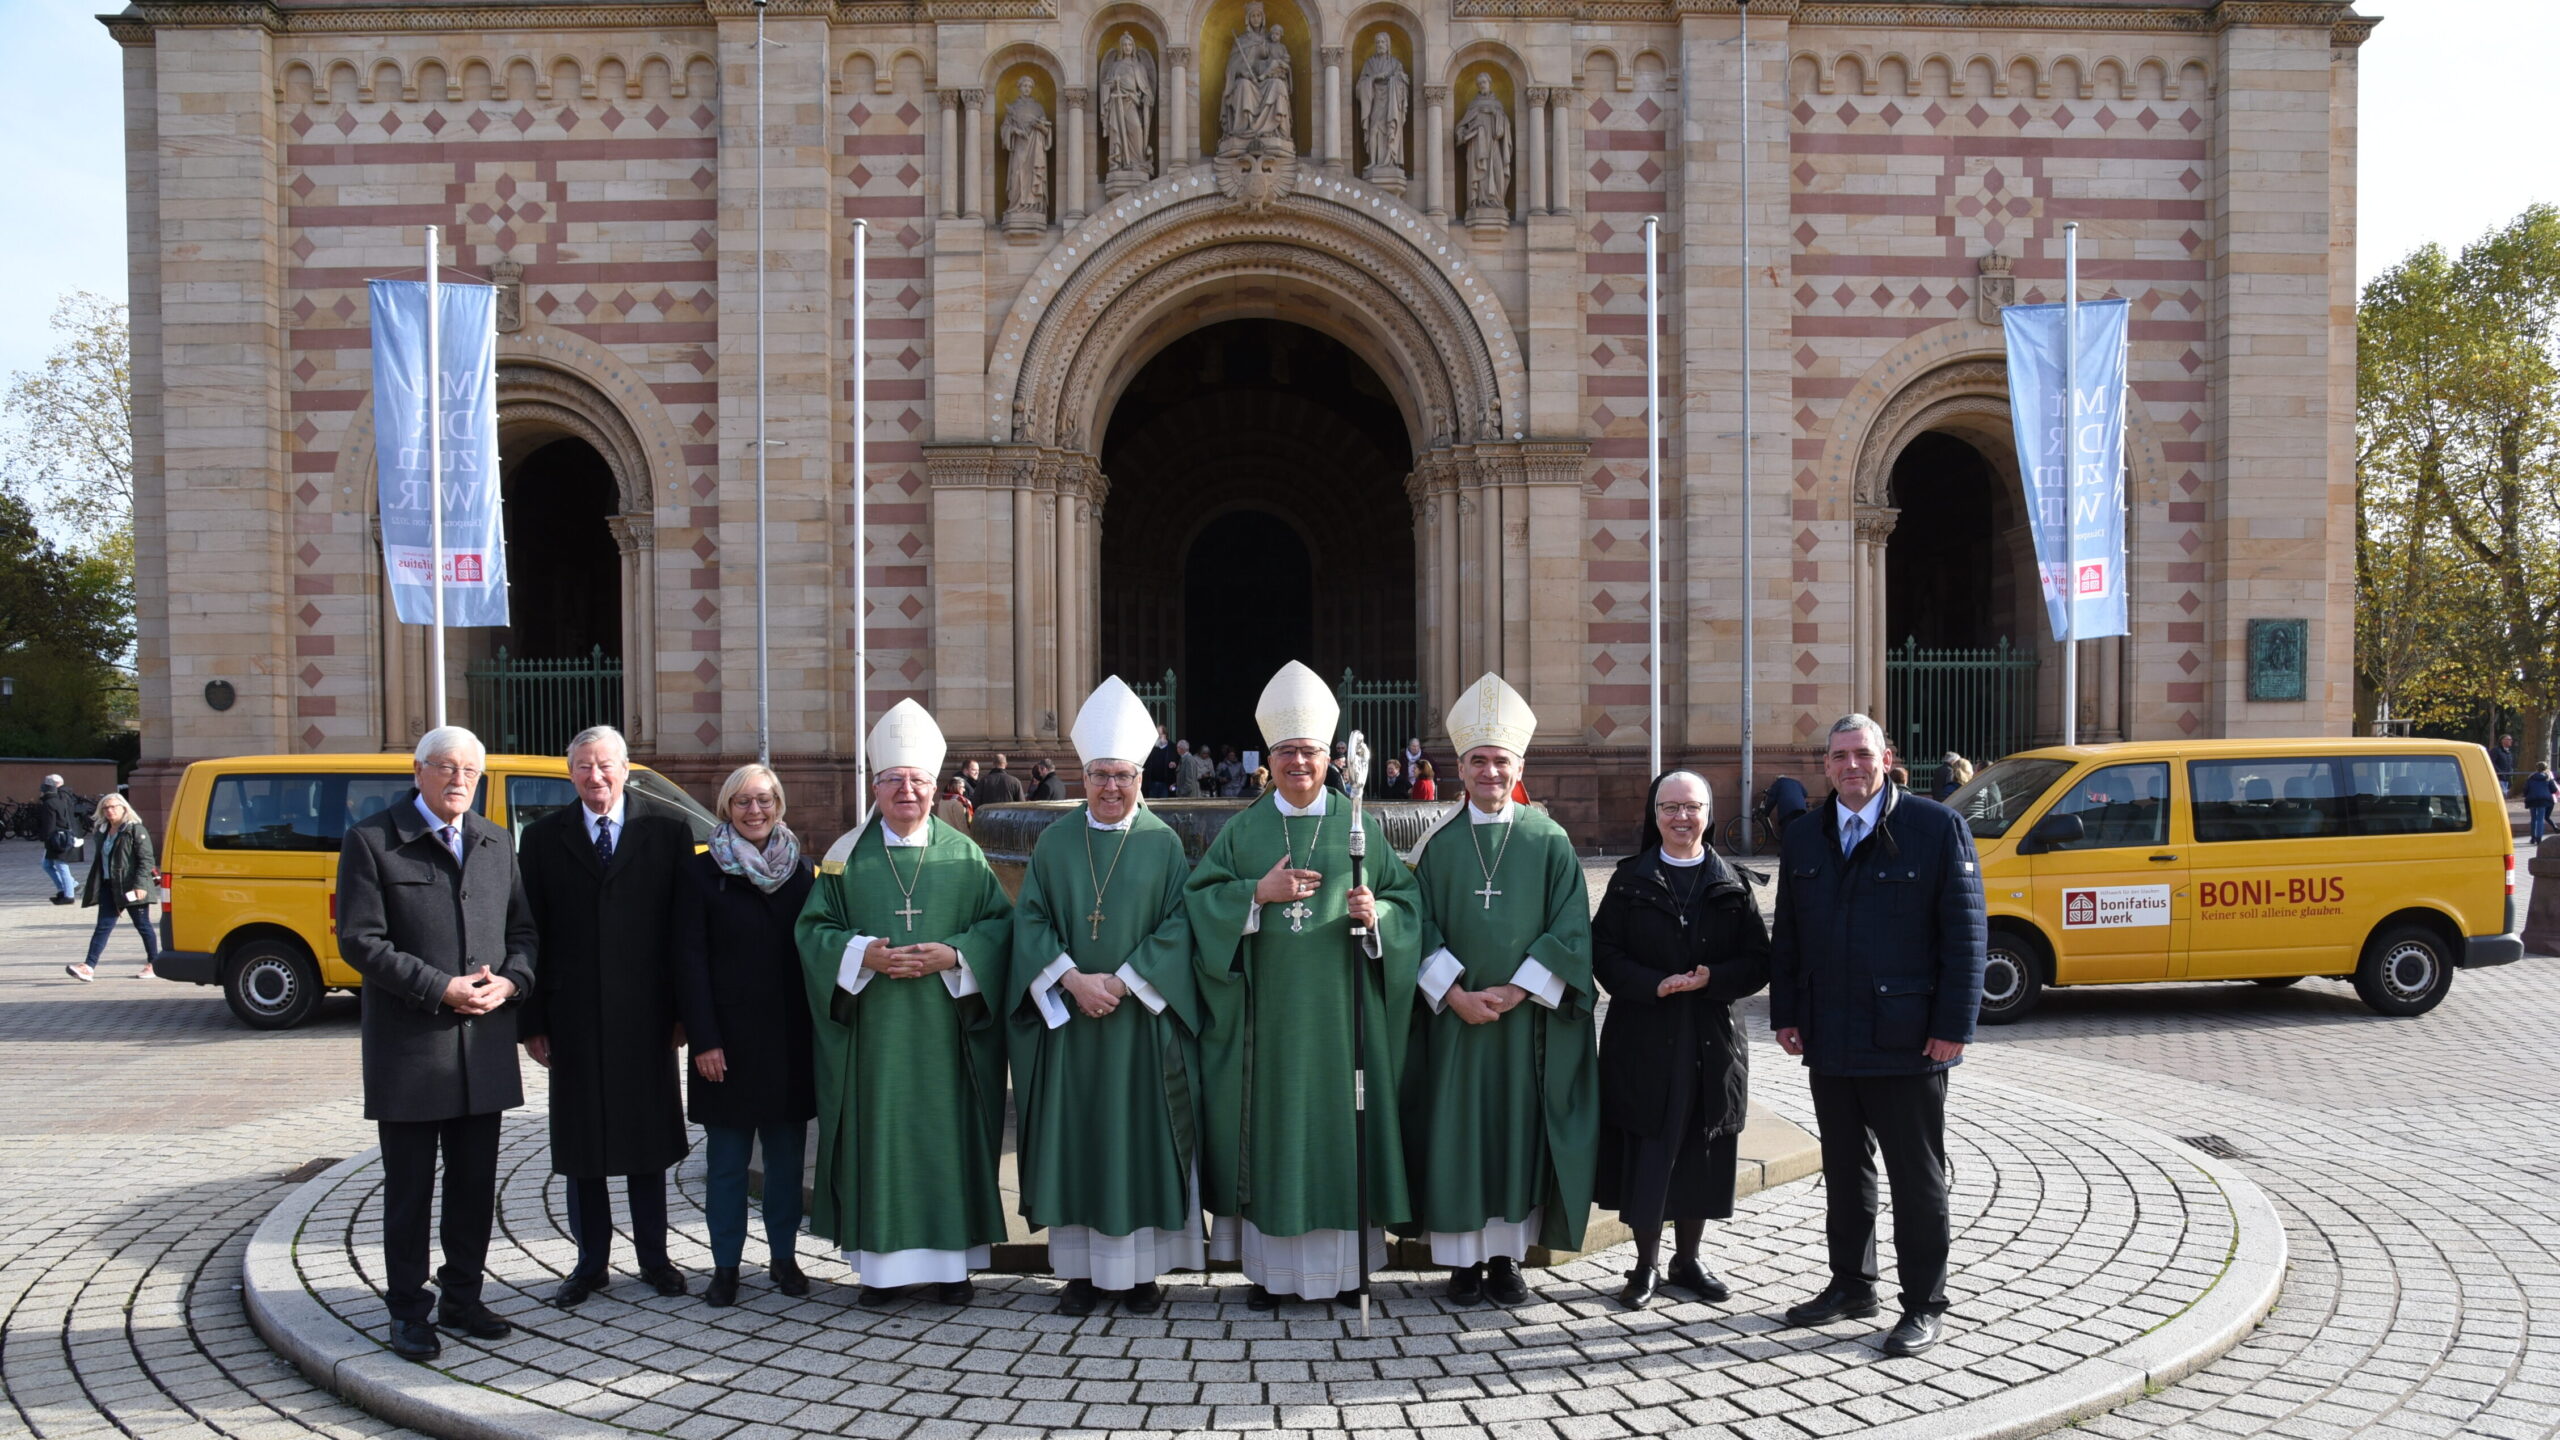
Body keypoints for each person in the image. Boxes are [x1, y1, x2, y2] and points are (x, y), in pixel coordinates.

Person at [1185, 662, 1422, 1308]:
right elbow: (1198, 903)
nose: (1298, 762)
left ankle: (1347, 1274)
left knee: (1341, 1133)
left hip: (1344, 1022)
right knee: (1274, 1136)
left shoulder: (1359, 823)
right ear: (1270, 758)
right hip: (1269, 1022)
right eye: (1286, 752)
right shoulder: (1244, 830)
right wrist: (1253, 897)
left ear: (1331, 757)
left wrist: (1379, 920)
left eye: (1310, 751)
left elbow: (1408, 904)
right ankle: (1272, 1273)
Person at [1770, 714, 1985, 1357]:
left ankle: (1923, 1303)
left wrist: (1953, 1027)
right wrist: (1786, 1012)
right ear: (1826, 766)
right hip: (1829, 1036)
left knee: (1915, 1179)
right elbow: (1789, 934)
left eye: (1862, 753)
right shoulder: (1805, 835)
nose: (1851, 766)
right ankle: (1851, 1284)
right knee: (1843, 1172)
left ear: (1886, 757)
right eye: (1839, 757)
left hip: (1907, 1039)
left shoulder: (1936, 826)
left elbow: (1967, 936)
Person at [796, 699, 1014, 1306]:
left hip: (946, 1033)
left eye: (917, 782)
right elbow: (812, 934)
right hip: (877, 1035)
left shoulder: (964, 854)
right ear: (877, 787)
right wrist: (861, 954)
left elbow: (999, 928)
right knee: (882, 1135)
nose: (907, 793)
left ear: (934, 787)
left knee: (944, 1136)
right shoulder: (844, 858)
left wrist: (957, 957)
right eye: (894, 782)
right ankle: (884, 1273)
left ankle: (951, 1269)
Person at [333, 725, 536, 1361]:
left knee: (475, 1187)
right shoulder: (372, 840)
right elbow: (360, 942)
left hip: (484, 1051)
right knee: (410, 1190)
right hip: (411, 1054)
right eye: (446, 768)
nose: (458, 781)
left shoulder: (496, 841)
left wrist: (509, 982)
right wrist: (440, 987)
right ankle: (407, 1311)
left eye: (470, 772)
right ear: (417, 771)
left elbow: (525, 932)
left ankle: (463, 1297)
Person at [1004, 677, 1205, 1316]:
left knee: (1134, 1137)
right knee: (1078, 1138)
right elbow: (1029, 920)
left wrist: (1123, 981)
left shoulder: (1162, 843)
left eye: (1122, 775)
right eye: (1099, 775)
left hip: (1136, 1024)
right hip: (1071, 1024)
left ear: (1141, 775)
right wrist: (1070, 979)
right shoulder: (1055, 842)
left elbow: (1180, 924)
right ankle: (1082, 1274)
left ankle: (1140, 1274)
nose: (1111, 787)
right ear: (1082, 776)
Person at [1403, 673, 1598, 1306]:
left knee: (1516, 1131)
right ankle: (1461, 1261)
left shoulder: (1549, 841)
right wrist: (1453, 992)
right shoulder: (1435, 846)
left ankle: (1507, 1259)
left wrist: (1518, 992)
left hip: (1524, 1024)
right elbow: (1415, 926)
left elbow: (1570, 924)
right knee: (1459, 1130)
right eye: (1478, 761)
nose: (1490, 771)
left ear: (1519, 764)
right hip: (1455, 1021)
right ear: (1459, 767)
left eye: (1500, 761)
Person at [517, 724, 694, 1307]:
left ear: (625, 768)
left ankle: (655, 1260)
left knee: (647, 1144)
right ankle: (590, 1263)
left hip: (648, 1019)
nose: (595, 776)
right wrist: (533, 1021)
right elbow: (529, 933)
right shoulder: (543, 839)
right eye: (583, 767)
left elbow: (681, 933)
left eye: (605, 765)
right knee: (582, 1148)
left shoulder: (665, 832)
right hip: (574, 1019)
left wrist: (683, 1015)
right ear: (570, 773)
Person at [1592, 771, 1769, 1309]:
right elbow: (1603, 954)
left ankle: (1687, 1260)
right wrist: (1654, 984)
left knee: (1702, 1147)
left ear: (1709, 814)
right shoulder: (1629, 880)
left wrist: (1713, 978)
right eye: (1669, 808)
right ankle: (1644, 1264)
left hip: (1711, 1035)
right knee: (1650, 1148)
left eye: (1692, 808)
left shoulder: (1732, 883)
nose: (1681, 818)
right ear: (1654, 815)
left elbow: (1758, 961)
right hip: (1645, 1033)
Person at [673, 763, 817, 1308]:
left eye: (764, 801)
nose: (755, 811)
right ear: (726, 808)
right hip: (724, 1046)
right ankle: (726, 1266)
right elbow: (688, 962)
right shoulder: (701, 872)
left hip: (787, 1041)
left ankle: (784, 1257)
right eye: (743, 802)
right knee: (728, 1164)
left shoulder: (801, 872)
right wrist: (705, 1040)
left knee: (784, 1160)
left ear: (779, 805)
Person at [66, 793, 160, 982]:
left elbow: (146, 859)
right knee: (103, 927)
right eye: (105, 808)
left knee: (143, 925)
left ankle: (154, 964)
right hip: (110, 887)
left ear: (124, 808)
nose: (109, 811)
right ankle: (88, 967)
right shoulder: (102, 831)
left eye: (113, 807)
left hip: (132, 886)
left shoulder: (135, 829)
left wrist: (141, 885)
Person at [38, 774, 79, 905]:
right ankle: (65, 889)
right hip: (63, 835)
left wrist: (45, 837)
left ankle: (69, 894)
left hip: (56, 838)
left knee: (61, 866)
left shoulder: (49, 803)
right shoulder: (60, 799)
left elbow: (50, 823)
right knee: (48, 864)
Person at [2526, 764, 2556, 846]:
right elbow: (2554, 789)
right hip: (2543, 800)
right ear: (2545, 768)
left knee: (2533, 819)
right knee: (2540, 819)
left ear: (2536, 768)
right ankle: (2539, 838)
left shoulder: (2530, 777)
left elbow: (2525, 789)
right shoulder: (2548, 777)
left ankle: (2533, 837)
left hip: (2532, 800)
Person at [1144, 724, 1178, 798]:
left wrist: (1174, 763)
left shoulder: (1171, 747)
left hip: (1165, 783)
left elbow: (1177, 761)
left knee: (1164, 805)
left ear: (1165, 734)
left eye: (1159, 734)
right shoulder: (1152, 747)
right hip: (1152, 782)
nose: (1157, 736)